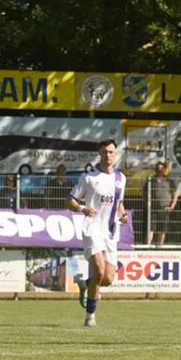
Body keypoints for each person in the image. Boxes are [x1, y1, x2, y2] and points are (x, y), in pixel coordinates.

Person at [67, 139, 128, 328]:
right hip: (92, 229)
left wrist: (123, 214)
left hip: (110, 232)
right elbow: (71, 200)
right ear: (99, 154)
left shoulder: (121, 178)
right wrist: (82, 208)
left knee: (108, 278)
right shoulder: (88, 177)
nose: (107, 155)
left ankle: (86, 284)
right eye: (104, 152)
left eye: (111, 152)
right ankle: (90, 317)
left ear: (115, 154)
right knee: (99, 271)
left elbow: (118, 203)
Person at [149, 161, 181, 246]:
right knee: (151, 228)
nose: (159, 170)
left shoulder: (169, 181)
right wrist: (147, 205)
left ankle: (160, 246)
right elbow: (145, 194)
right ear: (155, 170)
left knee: (162, 229)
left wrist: (171, 207)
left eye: (161, 168)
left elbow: (175, 195)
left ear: (164, 170)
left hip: (165, 208)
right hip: (153, 208)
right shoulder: (151, 181)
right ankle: (148, 246)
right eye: (158, 168)